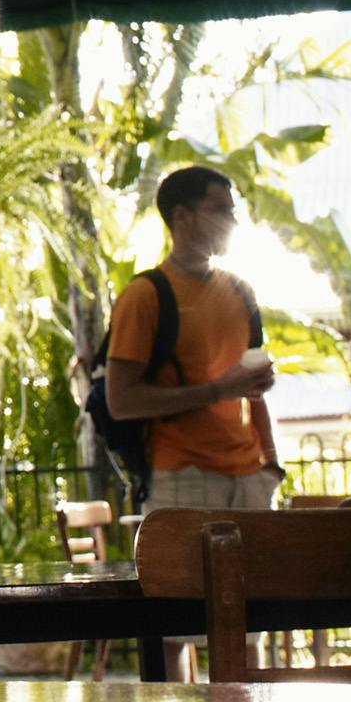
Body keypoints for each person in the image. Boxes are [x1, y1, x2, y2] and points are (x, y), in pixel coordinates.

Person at [97, 167, 280, 514]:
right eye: (221, 211)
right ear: (182, 216)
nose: (232, 223)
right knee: (187, 572)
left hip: (251, 478)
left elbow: (251, 393)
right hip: (182, 479)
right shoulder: (145, 296)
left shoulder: (241, 291)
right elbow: (120, 401)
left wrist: (271, 464)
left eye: (233, 211)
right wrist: (216, 391)